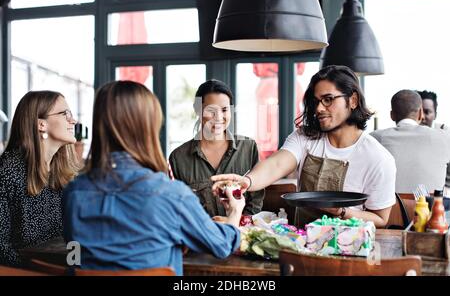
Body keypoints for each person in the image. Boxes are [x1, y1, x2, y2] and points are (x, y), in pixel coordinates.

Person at [63, 81, 242, 275]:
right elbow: (223, 245)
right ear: (149, 127)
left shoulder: (73, 193)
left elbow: (75, 254)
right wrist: (234, 212)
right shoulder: (172, 195)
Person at [212, 65, 396, 228]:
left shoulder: (378, 158)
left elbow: (380, 218)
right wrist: (247, 181)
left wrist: (340, 212)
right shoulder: (305, 137)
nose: (319, 109)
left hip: (348, 247)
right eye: (316, 102)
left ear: (353, 100)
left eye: (328, 99)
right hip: (301, 243)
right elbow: (276, 164)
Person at [0, 91, 79, 266]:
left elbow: (70, 238)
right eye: (65, 113)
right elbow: (0, 248)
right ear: (41, 124)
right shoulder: (7, 172)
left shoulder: (60, 172)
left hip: (59, 267)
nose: (73, 120)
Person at [169, 79, 264, 217]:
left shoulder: (248, 148)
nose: (218, 117)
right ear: (197, 110)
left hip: (243, 234)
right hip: (200, 236)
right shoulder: (178, 158)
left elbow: (255, 202)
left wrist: (237, 225)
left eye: (224, 110)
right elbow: (177, 207)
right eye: (211, 111)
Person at [371, 90, 450, 194]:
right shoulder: (444, 137)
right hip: (431, 208)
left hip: (389, 209)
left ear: (392, 115)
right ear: (420, 113)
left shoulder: (373, 139)